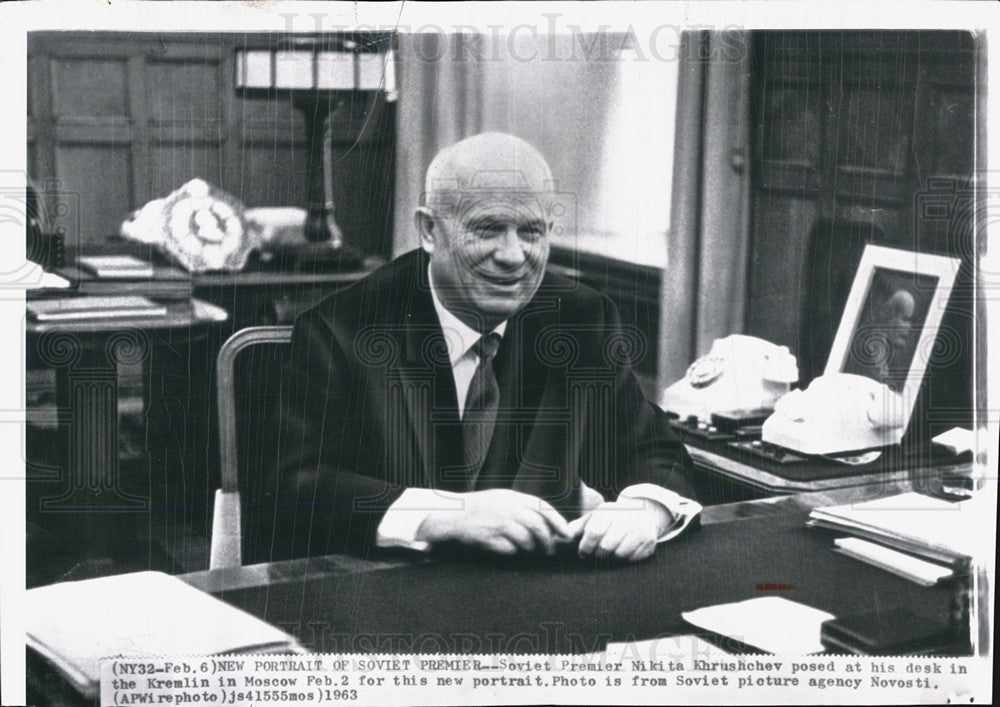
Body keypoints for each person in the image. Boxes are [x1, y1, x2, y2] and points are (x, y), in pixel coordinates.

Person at [264, 132, 703, 563]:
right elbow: (297, 488)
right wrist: (446, 515)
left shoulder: (580, 318)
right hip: (395, 608)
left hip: (543, 603)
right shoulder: (342, 330)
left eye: (531, 232)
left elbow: (655, 452)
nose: (513, 255)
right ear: (429, 231)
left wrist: (644, 511)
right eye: (488, 229)